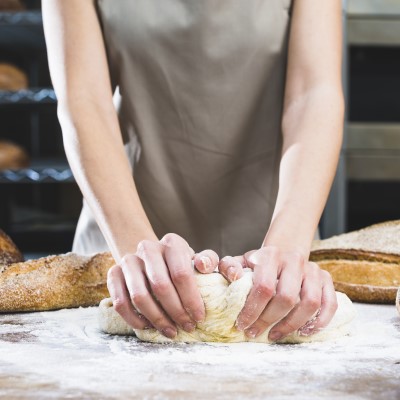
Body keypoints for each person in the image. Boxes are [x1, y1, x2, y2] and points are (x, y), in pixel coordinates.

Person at [42, 0, 344, 342]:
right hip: (123, 245)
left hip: (275, 248)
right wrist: (135, 248)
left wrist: (288, 246)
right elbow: (85, 98)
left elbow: (312, 94)